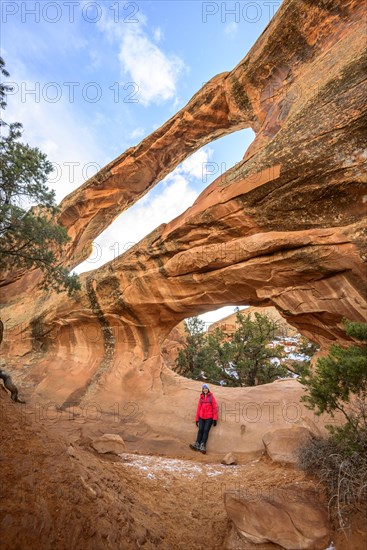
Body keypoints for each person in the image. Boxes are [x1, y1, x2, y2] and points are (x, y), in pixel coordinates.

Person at [189, 383, 218, 454]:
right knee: (200, 429)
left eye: (206, 388)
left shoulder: (211, 397)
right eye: (204, 388)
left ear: (208, 389)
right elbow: (198, 408)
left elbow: (215, 408)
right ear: (202, 390)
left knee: (205, 430)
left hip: (209, 418)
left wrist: (214, 418)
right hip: (201, 417)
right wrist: (197, 419)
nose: (205, 389)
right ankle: (197, 444)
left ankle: (203, 445)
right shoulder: (201, 397)